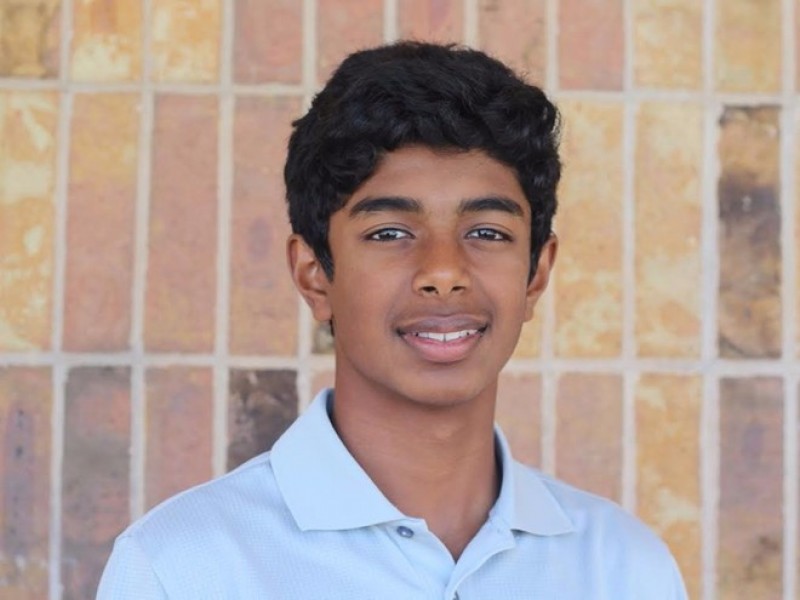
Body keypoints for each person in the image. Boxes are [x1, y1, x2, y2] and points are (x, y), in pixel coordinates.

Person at [97, 41, 687, 599]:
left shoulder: (624, 568)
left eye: (487, 232)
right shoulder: (182, 567)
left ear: (536, 273)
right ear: (314, 275)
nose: (444, 272)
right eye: (389, 233)